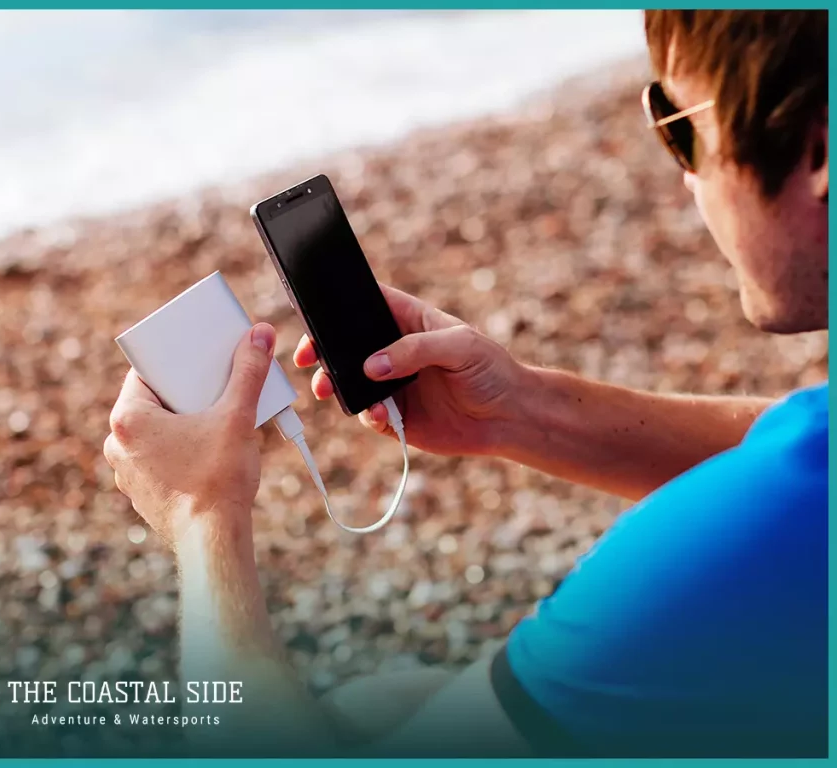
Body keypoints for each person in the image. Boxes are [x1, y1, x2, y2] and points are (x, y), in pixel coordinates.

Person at [103, 10, 828, 758]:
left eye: (679, 127)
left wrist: (203, 516)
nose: (686, 180)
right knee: (382, 706)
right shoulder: (800, 489)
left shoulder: (717, 563)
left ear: (817, 150)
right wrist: (522, 413)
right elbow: (798, 443)